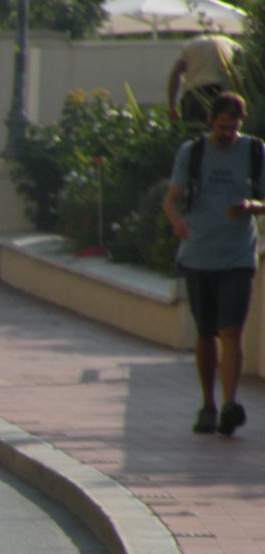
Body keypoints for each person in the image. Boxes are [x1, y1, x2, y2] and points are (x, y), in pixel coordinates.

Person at [162, 92, 262, 436]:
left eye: (233, 128)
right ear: (211, 122)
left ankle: (230, 404)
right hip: (199, 254)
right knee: (206, 332)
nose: (227, 134)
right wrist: (177, 222)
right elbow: (172, 199)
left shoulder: (254, 151)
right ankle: (208, 404)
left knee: (231, 331)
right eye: (221, 127)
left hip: (238, 255)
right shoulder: (193, 153)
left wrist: (251, 206)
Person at [168, 33, 242, 128]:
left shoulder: (190, 45)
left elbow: (176, 73)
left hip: (194, 95)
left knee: (194, 134)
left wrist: (172, 106)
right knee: (222, 129)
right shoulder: (231, 44)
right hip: (221, 93)